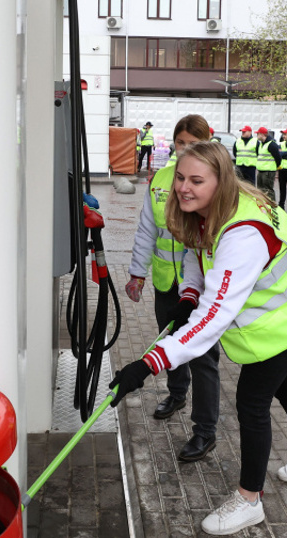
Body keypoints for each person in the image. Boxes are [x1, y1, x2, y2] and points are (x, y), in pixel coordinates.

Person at [110, 141, 287, 535]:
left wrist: (149, 363)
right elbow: (196, 254)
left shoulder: (243, 234)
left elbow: (214, 318)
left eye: (197, 180)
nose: (184, 187)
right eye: (181, 177)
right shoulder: (211, 210)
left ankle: (249, 501)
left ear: (220, 181)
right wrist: (188, 295)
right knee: (285, 383)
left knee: (252, 402)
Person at [125, 114, 221, 462]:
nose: (185, 150)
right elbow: (146, 230)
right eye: (181, 143)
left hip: (204, 287)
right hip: (167, 281)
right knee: (169, 341)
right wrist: (137, 273)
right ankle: (176, 393)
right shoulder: (163, 180)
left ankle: (205, 429)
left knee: (203, 357)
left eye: (193, 144)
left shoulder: (216, 182)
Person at [254, 126, 281, 201]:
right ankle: (263, 206)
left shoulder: (271, 144)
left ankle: (272, 207)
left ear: (262, 134)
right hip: (261, 171)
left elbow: (278, 158)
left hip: (268, 171)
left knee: (268, 190)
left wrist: (276, 167)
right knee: (260, 190)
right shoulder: (261, 144)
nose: (257, 136)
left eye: (258, 134)